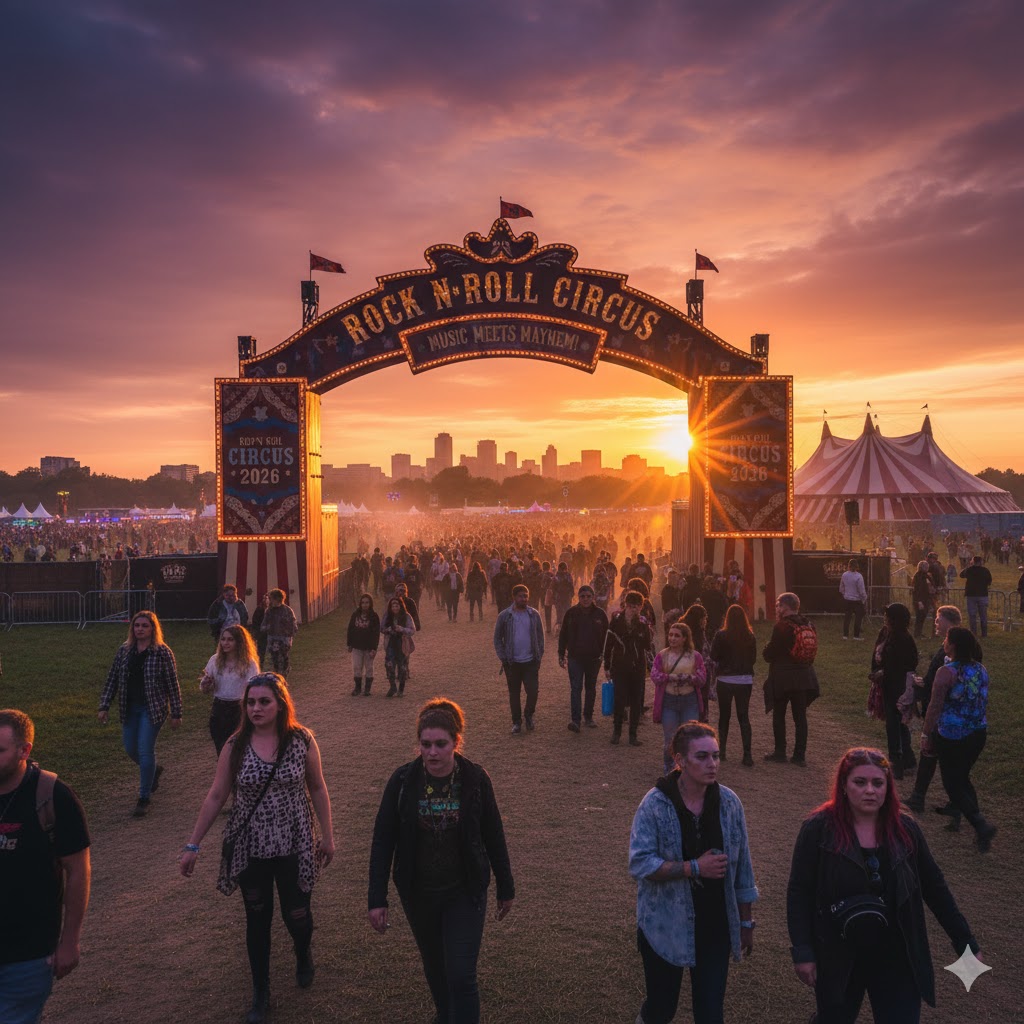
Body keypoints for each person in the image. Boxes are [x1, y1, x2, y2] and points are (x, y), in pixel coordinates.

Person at [180, 673, 334, 1024]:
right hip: (250, 842)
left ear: (280, 704)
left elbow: (318, 788)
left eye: (264, 701)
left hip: (294, 840)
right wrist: (193, 843)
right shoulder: (235, 745)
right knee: (257, 918)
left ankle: (302, 951)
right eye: (250, 702)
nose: (256, 708)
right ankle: (261, 993)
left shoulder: (302, 740)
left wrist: (328, 835)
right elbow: (217, 794)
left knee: (297, 915)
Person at [787, 746, 981, 1023]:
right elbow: (799, 892)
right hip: (838, 952)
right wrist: (803, 951)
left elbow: (935, 887)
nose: (870, 790)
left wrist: (965, 940)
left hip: (898, 952)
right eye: (860, 782)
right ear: (844, 785)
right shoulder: (818, 828)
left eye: (878, 783)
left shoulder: (906, 829)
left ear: (888, 787)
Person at [368, 699, 514, 1024]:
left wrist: (506, 886)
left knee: (461, 974)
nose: (432, 752)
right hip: (418, 893)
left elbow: (493, 833)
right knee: (435, 967)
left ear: (456, 742)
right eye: (425, 744)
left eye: (440, 744)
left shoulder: (475, 779)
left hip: (465, 890)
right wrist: (377, 898)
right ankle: (446, 1014)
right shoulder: (403, 781)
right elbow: (383, 840)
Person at [629, 722, 758, 1024]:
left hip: (715, 926)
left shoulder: (729, 803)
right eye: (701, 757)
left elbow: (743, 868)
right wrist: (694, 867)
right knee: (661, 1008)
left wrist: (746, 920)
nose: (712, 764)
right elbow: (640, 863)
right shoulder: (655, 804)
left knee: (711, 1012)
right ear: (680, 760)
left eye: (715, 756)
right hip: (664, 925)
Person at [0, 709, 91, 1024]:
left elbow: (78, 870)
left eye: (0, 750)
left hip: (27, 955)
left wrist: (69, 941)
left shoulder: (52, 796)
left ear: (25, 751)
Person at [98, 610, 183, 817]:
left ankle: (144, 797)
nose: (140, 629)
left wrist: (176, 712)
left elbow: (172, 683)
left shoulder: (162, 652)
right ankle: (153, 770)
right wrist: (104, 705)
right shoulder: (125, 651)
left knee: (145, 750)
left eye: (145, 626)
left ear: (153, 629)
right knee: (130, 748)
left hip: (152, 708)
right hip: (130, 707)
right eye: (137, 626)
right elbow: (113, 678)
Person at [921, 626, 996, 851]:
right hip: (977, 733)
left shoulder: (946, 672)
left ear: (952, 645)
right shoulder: (981, 669)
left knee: (952, 784)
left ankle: (981, 825)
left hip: (952, 735)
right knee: (962, 778)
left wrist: (926, 733)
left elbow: (935, 706)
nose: (944, 641)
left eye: (946, 638)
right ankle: (979, 831)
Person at [905, 606, 968, 813]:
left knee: (930, 754)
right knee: (949, 761)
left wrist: (924, 685)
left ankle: (918, 798)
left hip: (943, 712)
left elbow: (945, 682)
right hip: (957, 714)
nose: (935, 622)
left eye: (938, 619)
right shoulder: (961, 646)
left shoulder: (950, 650)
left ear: (949, 621)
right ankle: (955, 804)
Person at [763, 593, 819, 768]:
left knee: (779, 715)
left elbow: (770, 653)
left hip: (782, 677)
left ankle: (780, 752)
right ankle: (799, 755)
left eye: (779, 605)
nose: (777, 608)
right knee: (800, 717)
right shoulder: (809, 624)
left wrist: (766, 649)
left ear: (785, 607)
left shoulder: (782, 626)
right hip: (803, 676)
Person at [869, 604, 919, 780]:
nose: (885, 618)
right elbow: (876, 653)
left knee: (895, 724)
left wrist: (885, 672)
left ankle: (896, 764)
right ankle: (908, 760)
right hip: (886, 685)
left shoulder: (903, 638)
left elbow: (909, 663)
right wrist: (876, 671)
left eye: (888, 616)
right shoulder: (885, 633)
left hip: (898, 686)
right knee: (895, 723)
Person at [651, 622, 706, 772]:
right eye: (670, 635)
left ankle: (688, 769)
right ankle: (669, 769)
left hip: (689, 701)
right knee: (670, 738)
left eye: (677, 635)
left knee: (689, 737)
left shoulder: (695, 656)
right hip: (669, 701)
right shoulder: (662, 655)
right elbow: (654, 676)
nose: (672, 638)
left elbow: (702, 678)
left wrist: (689, 678)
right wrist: (671, 677)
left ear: (684, 638)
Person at [200, 625, 261, 754]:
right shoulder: (215, 660)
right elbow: (205, 689)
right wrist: (206, 684)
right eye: (223, 639)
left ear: (239, 642)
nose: (225, 643)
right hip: (219, 709)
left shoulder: (249, 663)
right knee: (221, 750)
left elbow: (254, 689)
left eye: (230, 640)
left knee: (237, 751)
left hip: (238, 710)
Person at [604, 591, 654, 747]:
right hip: (619, 666)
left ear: (641, 607)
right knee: (619, 700)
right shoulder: (616, 621)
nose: (634, 609)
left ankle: (633, 735)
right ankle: (616, 732)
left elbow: (647, 646)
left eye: (637, 606)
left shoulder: (642, 623)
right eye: (631, 606)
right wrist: (606, 666)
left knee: (636, 701)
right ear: (625, 605)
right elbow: (608, 645)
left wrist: (647, 630)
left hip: (638, 666)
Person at [493, 584, 545, 734]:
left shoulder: (534, 614)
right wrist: (503, 658)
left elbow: (540, 638)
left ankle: (529, 715)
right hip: (512, 663)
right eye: (521, 596)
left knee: (533, 691)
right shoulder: (505, 616)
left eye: (526, 596)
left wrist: (538, 656)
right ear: (514, 597)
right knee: (514, 694)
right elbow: (497, 639)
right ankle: (516, 722)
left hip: (530, 662)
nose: (524, 599)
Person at [557, 584, 609, 732]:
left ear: (593, 597)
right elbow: (563, 635)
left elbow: (607, 637)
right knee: (576, 688)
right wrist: (561, 654)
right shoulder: (571, 613)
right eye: (582, 596)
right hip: (575, 658)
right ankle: (576, 720)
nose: (585, 599)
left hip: (594, 658)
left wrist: (606, 656)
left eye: (588, 596)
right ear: (578, 597)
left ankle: (588, 717)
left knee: (590, 688)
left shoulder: (600, 614)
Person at [711, 604, 757, 767]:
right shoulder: (750, 636)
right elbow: (753, 659)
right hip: (744, 679)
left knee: (724, 716)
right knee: (743, 716)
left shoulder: (721, 635)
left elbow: (713, 655)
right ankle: (747, 754)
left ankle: (722, 751)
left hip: (725, 679)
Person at [381, 595, 416, 698]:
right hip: (391, 643)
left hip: (402, 643)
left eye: (397, 606)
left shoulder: (407, 616)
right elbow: (382, 628)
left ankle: (401, 689)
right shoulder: (387, 616)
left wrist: (402, 629)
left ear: (400, 606)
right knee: (389, 665)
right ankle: (392, 686)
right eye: (393, 606)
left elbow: (412, 630)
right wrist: (388, 630)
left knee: (402, 667)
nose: (395, 608)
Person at [346, 593, 381, 696]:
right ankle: (357, 688)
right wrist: (349, 643)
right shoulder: (355, 615)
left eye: (367, 603)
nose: (365, 605)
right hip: (357, 646)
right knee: (357, 667)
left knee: (369, 667)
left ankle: (367, 688)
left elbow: (376, 633)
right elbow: (350, 629)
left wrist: (374, 648)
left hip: (369, 647)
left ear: (370, 604)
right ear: (360, 604)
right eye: (363, 603)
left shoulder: (374, 617)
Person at [261, 589, 297, 678]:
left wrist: (289, 634)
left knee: (284, 656)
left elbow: (293, 625)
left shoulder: (287, 611)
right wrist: (266, 628)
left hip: (284, 638)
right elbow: (264, 624)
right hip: (273, 638)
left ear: (278, 599)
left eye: (272, 598)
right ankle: (277, 673)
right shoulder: (269, 611)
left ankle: (284, 673)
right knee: (274, 657)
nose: (270, 601)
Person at [959, 555, 993, 638]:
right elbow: (989, 581)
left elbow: (961, 575)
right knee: (983, 615)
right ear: (981, 562)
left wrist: (968, 566)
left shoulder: (969, 570)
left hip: (971, 595)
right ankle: (984, 633)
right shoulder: (985, 570)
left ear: (973, 561)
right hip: (982, 595)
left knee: (972, 615)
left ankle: (973, 633)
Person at [839, 559, 868, 640]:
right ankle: (856, 635)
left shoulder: (844, 575)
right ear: (856, 567)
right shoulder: (859, 576)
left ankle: (845, 635)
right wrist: (864, 598)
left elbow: (841, 588)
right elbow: (861, 590)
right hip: (857, 600)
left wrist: (845, 594)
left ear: (848, 565)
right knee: (858, 617)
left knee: (847, 617)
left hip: (847, 599)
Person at [910, 561, 934, 639]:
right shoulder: (918, 576)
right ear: (921, 567)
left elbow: (931, 584)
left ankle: (919, 633)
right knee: (919, 617)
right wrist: (919, 601)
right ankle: (917, 634)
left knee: (922, 616)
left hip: (926, 599)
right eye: (925, 566)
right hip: (920, 600)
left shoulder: (926, 575)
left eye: (927, 566)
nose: (927, 568)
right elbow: (917, 590)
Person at [249, 593, 269, 669]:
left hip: (271, 634)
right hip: (262, 635)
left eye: (267, 598)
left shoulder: (273, 610)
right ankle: (259, 666)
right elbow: (255, 621)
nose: (265, 600)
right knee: (261, 651)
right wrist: (258, 631)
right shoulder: (259, 609)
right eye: (264, 598)